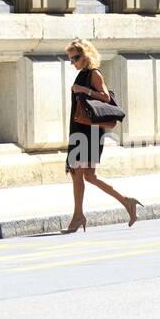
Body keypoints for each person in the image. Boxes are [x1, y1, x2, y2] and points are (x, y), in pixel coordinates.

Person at [63, 37, 141, 234]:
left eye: (76, 58)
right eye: (70, 59)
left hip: (89, 131)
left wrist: (83, 90)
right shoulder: (82, 73)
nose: (73, 62)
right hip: (79, 128)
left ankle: (81, 215)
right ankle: (123, 202)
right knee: (82, 174)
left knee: (83, 173)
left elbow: (106, 98)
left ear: (86, 55)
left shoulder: (93, 74)